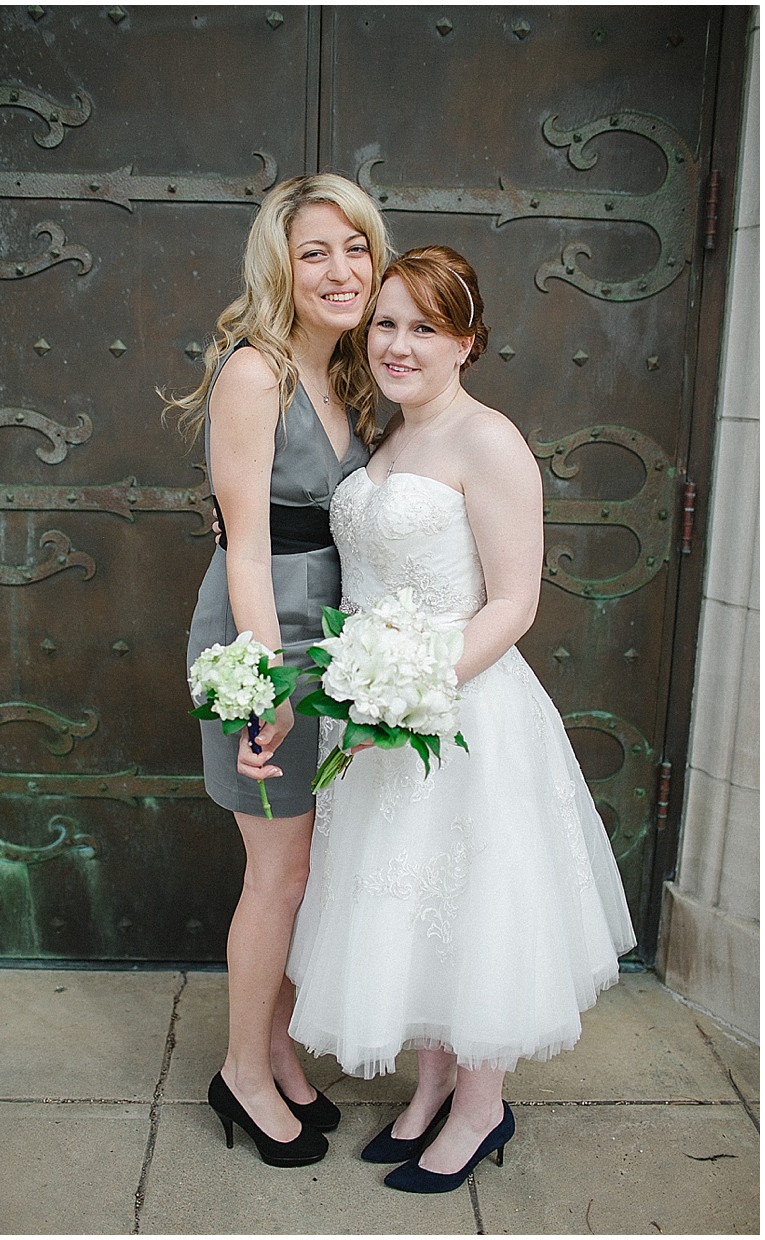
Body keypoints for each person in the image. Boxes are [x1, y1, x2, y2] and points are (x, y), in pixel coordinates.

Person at [288, 247, 635, 1192]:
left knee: (473, 905)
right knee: (412, 903)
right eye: (387, 323)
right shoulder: (387, 439)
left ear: (467, 342)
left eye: (424, 329)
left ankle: (482, 1108)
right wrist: (362, 693)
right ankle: (429, 1084)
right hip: (375, 719)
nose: (398, 345)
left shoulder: (490, 441)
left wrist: (408, 692)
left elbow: (514, 603)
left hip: (459, 714)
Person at [166, 172, 391, 1167]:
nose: (339, 270)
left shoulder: (345, 372)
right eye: (314, 252)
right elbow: (247, 551)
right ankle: (240, 1073)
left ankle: (277, 1050)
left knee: (303, 871)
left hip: (332, 637)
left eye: (354, 248)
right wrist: (260, 688)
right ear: (279, 267)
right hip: (262, 636)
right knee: (276, 873)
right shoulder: (253, 373)